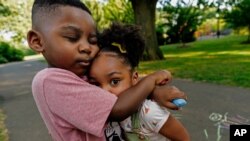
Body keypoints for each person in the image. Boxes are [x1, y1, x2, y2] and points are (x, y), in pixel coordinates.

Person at [27, 0, 187, 141]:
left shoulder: (81, 73)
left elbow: (119, 91)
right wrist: (152, 80)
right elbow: (116, 108)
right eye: (72, 37)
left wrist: (153, 93)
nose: (86, 48)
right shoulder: (49, 80)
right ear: (37, 41)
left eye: (93, 40)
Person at [88, 22, 190, 141]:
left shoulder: (149, 113)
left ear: (135, 78)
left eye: (115, 81)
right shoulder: (106, 113)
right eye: (96, 84)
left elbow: (184, 139)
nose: (104, 91)